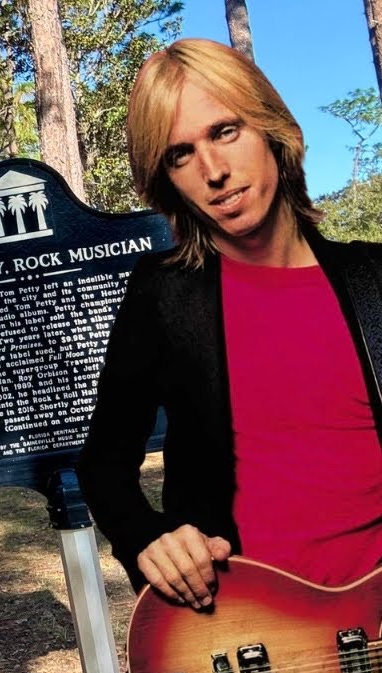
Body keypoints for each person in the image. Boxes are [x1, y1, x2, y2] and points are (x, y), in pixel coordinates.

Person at [78, 38, 382, 610]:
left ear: (271, 128)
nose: (214, 171)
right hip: (240, 631)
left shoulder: (374, 280)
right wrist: (146, 539)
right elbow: (104, 463)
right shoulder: (163, 295)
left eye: (225, 131)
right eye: (180, 154)